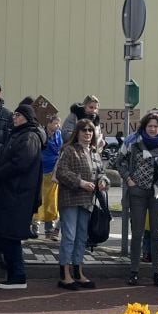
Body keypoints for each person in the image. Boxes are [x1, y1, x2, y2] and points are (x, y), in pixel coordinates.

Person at [118, 112, 158, 287]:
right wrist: (128, 179)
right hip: (137, 192)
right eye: (149, 126)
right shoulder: (133, 141)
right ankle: (134, 272)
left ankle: (157, 273)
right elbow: (119, 161)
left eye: (155, 126)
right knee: (137, 233)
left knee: (156, 234)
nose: (152, 129)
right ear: (144, 127)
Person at [0, 103, 45, 289]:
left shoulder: (29, 137)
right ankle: (14, 274)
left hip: (18, 194)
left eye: (18, 115)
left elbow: (20, 163)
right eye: (14, 115)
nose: (15, 118)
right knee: (6, 234)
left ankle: (18, 275)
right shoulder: (20, 134)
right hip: (13, 193)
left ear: (27, 117)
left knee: (11, 235)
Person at [53, 119, 107, 290]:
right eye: (84, 130)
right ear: (77, 132)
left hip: (87, 201)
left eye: (90, 130)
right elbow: (61, 172)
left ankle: (78, 271)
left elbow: (102, 173)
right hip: (70, 199)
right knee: (69, 236)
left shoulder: (94, 153)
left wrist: (103, 181)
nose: (87, 133)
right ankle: (64, 274)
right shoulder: (69, 150)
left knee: (82, 237)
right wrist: (81, 183)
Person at [34, 114, 64, 240]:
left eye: (58, 123)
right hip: (41, 168)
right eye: (55, 123)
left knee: (52, 200)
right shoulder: (42, 133)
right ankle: (35, 225)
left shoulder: (58, 134)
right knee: (40, 198)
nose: (58, 126)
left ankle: (49, 228)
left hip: (53, 170)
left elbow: (60, 148)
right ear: (49, 123)